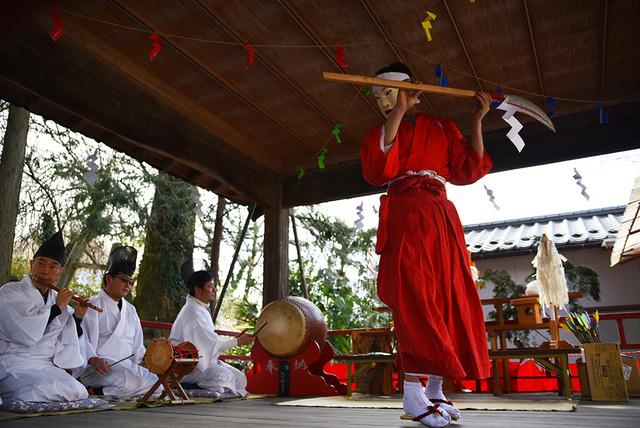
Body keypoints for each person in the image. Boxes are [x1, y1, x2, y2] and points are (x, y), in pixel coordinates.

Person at [360, 63, 492, 427]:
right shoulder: (380, 132)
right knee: (415, 299)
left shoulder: (442, 127)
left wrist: (477, 120)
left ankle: (434, 388)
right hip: (406, 216)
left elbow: (469, 168)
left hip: (441, 219)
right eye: (381, 97)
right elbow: (379, 171)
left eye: (393, 94)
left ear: (412, 90)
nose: (386, 103)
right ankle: (411, 392)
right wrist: (399, 113)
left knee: (450, 297)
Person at [0, 231, 89, 402]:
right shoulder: (9, 292)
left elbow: (68, 338)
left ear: (60, 272)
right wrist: (56, 308)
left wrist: (78, 316)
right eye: (41, 263)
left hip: (44, 365)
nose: (45, 271)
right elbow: (23, 332)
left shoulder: (57, 299)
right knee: (39, 391)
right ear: (31, 264)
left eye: (53, 266)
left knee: (78, 391)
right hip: (13, 364)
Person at [78, 245, 159, 398]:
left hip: (126, 368)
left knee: (156, 384)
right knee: (132, 382)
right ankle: (95, 389)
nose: (127, 285)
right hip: (99, 368)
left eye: (130, 282)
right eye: (123, 280)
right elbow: (83, 338)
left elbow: (137, 346)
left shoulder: (131, 310)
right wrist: (93, 358)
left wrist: (153, 355)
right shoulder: (92, 304)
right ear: (109, 278)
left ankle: (102, 392)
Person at [169, 261, 253, 398]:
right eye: (210, 286)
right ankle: (186, 386)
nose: (213, 290)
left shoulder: (200, 309)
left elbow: (209, 343)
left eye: (213, 286)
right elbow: (211, 344)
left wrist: (237, 340)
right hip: (187, 368)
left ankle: (207, 387)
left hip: (202, 364)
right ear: (198, 290)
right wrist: (237, 341)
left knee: (239, 378)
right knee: (223, 376)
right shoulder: (193, 313)